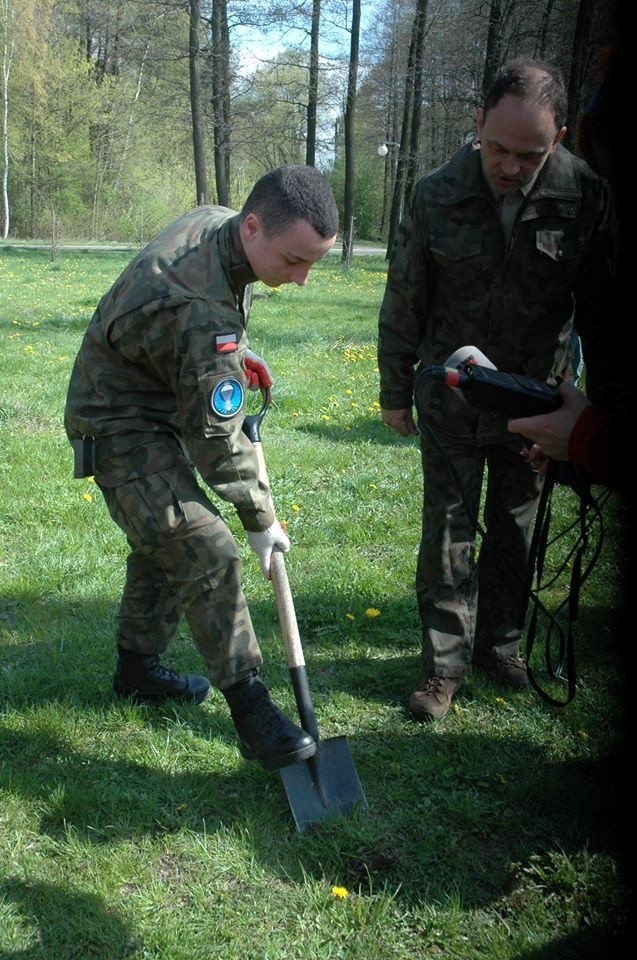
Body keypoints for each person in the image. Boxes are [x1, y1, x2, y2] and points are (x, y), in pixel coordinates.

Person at [64, 164, 339, 769]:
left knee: (166, 538)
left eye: (312, 263)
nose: (300, 280)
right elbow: (217, 443)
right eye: (294, 261)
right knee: (203, 544)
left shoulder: (220, 229)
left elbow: (201, 331)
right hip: (114, 421)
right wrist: (260, 517)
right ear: (253, 226)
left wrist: (234, 355)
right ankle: (252, 711)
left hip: (155, 394)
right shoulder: (201, 310)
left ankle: (137, 673)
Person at [377, 59, 614, 721]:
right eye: (497, 148)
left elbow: (600, 307)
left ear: (561, 137)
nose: (508, 166)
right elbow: (403, 299)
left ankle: (499, 645)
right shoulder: (434, 193)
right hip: (452, 398)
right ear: (477, 123)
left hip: (536, 403)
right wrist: (393, 390)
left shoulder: (585, 196)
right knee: (448, 532)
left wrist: (600, 410)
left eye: (528, 154)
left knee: (516, 527)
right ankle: (441, 669)